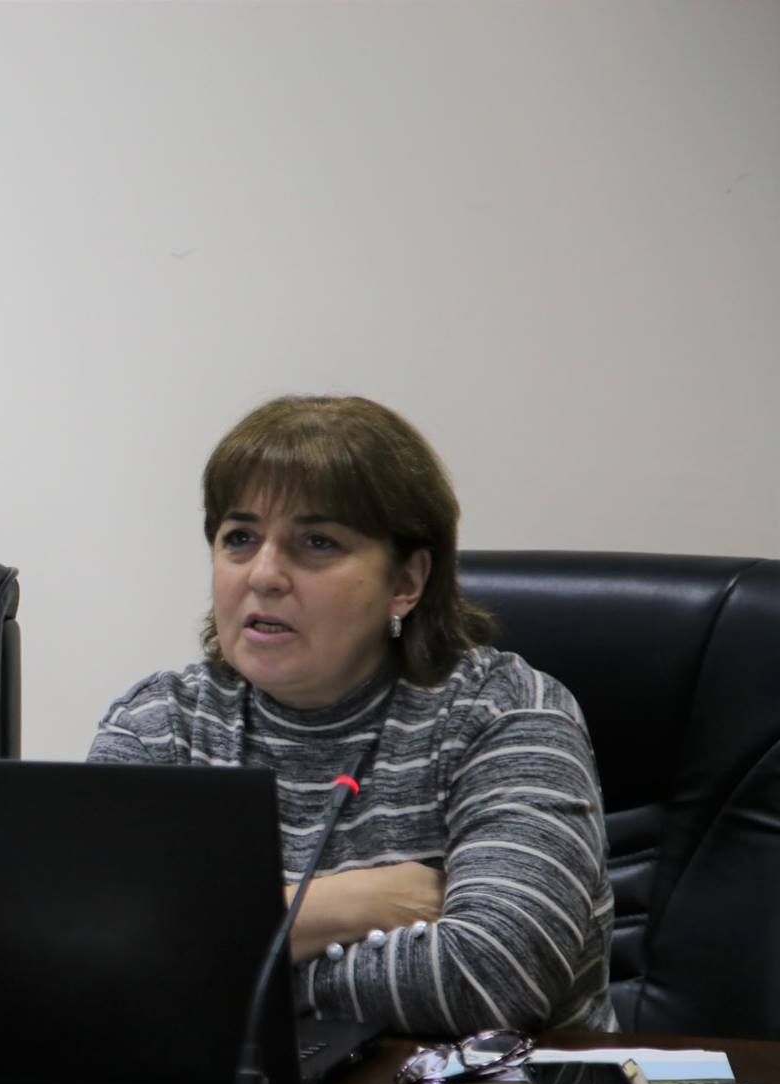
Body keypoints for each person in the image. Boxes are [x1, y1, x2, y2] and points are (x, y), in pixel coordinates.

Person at [87, 396, 614, 1036]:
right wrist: (354, 903)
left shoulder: (503, 711)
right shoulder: (160, 723)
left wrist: (209, 963)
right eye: (240, 538)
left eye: (318, 542)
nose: (265, 575)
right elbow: (93, 961)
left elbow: (492, 975)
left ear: (406, 582)